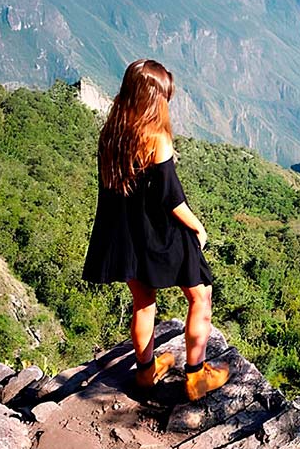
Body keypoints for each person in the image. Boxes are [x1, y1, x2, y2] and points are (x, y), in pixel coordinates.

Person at [82, 59, 230, 401]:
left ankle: (146, 373)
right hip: (160, 235)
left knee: (143, 303)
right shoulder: (157, 137)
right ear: (154, 98)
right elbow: (171, 199)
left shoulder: (112, 133)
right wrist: (198, 228)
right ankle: (196, 377)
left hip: (126, 237)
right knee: (201, 296)